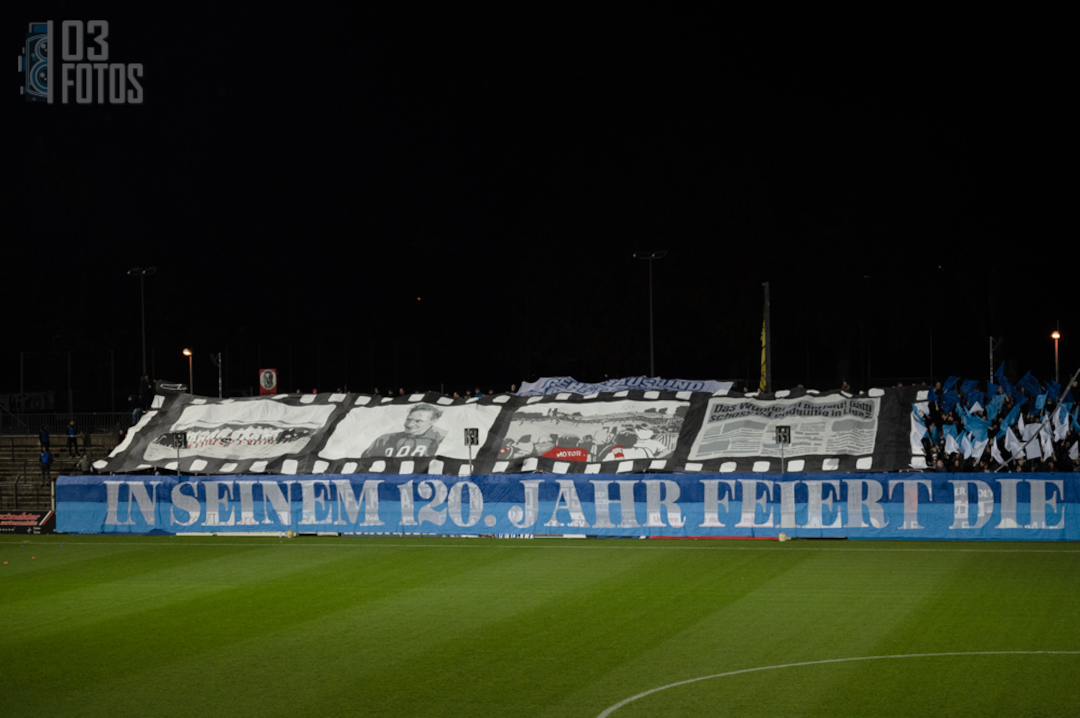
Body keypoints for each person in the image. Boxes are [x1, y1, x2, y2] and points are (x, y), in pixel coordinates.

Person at [362, 404, 446, 458]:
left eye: (418, 421)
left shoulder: (442, 441)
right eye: (408, 419)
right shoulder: (385, 439)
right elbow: (365, 462)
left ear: (433, 421)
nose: (409, 425)